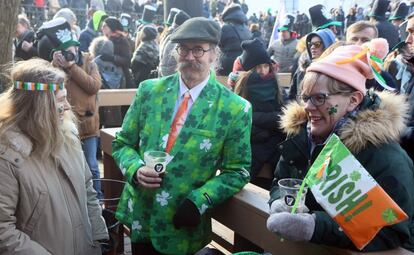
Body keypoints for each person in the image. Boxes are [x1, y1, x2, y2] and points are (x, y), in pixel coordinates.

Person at [112, 17, 252, 255]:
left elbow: (237, 171)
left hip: (183, 227)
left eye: (198, 49)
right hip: (141, 218)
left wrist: (200, 199)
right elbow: (122, 143)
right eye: (183, 49)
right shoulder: (149, 91)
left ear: (213, 55)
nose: (189, 56)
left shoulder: (235, 108)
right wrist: (135, 168)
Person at [266, 39, 414, 252]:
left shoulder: (384, 156)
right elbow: (281, 180)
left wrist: (315, 227)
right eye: (306, 97)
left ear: (353, 100)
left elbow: (391, 230)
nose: (307, 107)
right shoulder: (302, 137)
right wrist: (280, 200)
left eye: (319, 98)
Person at [0, 58, 108, 254]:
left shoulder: (69, 136)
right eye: (60, 100)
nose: (68, 106)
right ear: (39, 105)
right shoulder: (7, 156)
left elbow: (87, 189)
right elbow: (3, 230)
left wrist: (98, 238)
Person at [37, 17, 103, 199]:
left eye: (72, 48)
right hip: (65, 126)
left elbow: (93, 86)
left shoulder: (89, 61)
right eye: (64, 50)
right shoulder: (55, 68)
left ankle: (96, 199)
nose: (69, 52)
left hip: (88, 125)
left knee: (91, 165)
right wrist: (55, 66)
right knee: (70, 165)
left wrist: (72, 67)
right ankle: (75, 198)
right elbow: (49, 89)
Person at [234, 38, 285, 189]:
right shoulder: (244, 86)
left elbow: (282, 111)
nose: (263, 71)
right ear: (249, 69)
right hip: (252, 145)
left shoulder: (274, 83)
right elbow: (241, 117)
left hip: (273, 147)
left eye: (265, 66)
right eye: (257, 67)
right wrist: (271, 123)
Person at [288, 28, 336, 100]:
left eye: (317, 44)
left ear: (328, 46)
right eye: (310, 44)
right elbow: (293, 95)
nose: (312, 47)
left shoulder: (336, 69)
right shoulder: (303, 68)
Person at [218, 3, 251, 76]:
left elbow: (218, 44)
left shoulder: (225, 27)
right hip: (245, 63)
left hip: (228, 65)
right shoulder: (247, 29)